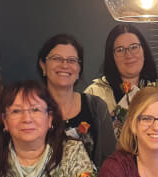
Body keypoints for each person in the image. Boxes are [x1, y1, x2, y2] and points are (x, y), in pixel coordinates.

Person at [37, 34, 116, 168]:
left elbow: (110, 161)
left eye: (72, 60)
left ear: (79, 69)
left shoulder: (96, 107)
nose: (64, 65)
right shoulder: (30, 108)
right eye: (57, 58)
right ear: (43, 65)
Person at [83, 24, 158, 135]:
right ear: (112, 57)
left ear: (144, 51)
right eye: (120, 50)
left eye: (134, 47)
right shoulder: (94, 94)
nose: (128, 55)